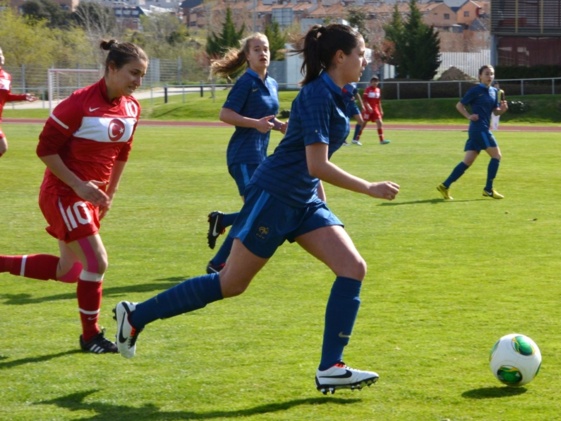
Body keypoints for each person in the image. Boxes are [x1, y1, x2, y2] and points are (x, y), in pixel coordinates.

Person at [114, 24, 400, 395]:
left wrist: (320, 203)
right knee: (231, 283)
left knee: (352, 268)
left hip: (304, 200)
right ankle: (135, 316)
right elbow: (316, 164)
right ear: (339, 57)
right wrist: (369, 188)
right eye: (361, 52)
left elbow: (309, 157)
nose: (367, 59)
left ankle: (331, 367)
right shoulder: (315, 95)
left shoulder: (342, 94)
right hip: (277, 196)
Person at [0, 40, 148, 353]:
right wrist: (80, 186)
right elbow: (45, 149)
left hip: (90, 197)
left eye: (143, 75)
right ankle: (90, 336)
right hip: (63, 193)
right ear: (111, 68)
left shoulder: (132, 107)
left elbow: (123, 151)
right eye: (133, 73)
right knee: (97, 261)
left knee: (69, 272)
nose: (138, 81)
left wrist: (110, 192)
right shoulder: (78, 103)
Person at [205, 33, 287, 274]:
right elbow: (225, 114)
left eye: (266, 49)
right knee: (256, 210)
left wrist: (280, 126)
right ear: (248, 56)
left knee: (261, 207)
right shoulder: (246, 82)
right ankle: (218, 263)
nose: (263, 53)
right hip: (242, 156)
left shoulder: (271, 83)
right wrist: (255, 124)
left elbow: (267, 117)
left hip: (260, 156)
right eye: (257, 49)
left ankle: (222, 221)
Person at [436, 64, 508, 200]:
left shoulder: (494, 92)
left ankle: (445, 185)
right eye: (486, 74)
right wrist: (469, 116)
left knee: (467, 161)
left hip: (481, 129)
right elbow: (459, 105)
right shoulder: (475, 91)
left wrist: (503, 110)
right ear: (480, 76)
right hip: (478, 129)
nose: (490, 76)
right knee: (497, 156)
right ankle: (488, 189)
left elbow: (495, 112)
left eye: (492, 74)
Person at [0, 46, 37, 158]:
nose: (0, 56)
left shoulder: (7, 76)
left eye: (1, 53)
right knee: (3, 146)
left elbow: (6, 97)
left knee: (2, 147)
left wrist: (23, 97)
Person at [351, 76, 390, 145]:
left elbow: (378, 101)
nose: (375, 83)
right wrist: (368, 107)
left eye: (376, 81)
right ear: (371, 82)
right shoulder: (367, 90)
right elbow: (365, 100)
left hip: (375, 109)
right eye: (374, 81)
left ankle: (382, 140)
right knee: (363, 124)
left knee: (380, 122)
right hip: (367, 110)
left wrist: (381, 110)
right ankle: (356, 139)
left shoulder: (378, 90)